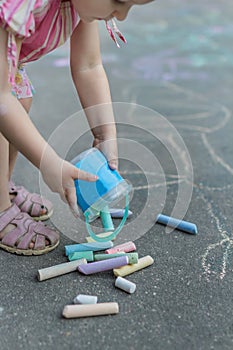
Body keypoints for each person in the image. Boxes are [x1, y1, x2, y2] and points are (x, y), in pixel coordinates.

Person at [0, 0, 154, 255]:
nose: (122, 15)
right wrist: (50, 164)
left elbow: (88, 66)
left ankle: (2, 182)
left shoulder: (82, 3)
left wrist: (105, 133)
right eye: (118, 1)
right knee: (7, 111)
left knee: (20, 99)